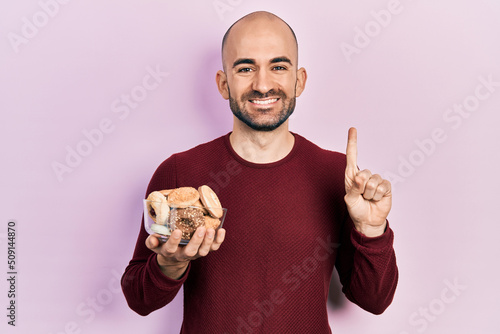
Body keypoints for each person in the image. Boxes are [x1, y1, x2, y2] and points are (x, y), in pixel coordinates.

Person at [121, 11, 398, 333]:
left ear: (300, 81)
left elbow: (374, 301)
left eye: (278, 67)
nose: (263, 84)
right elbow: (139, 300)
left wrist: (371, 230)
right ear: (224, 84)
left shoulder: (338, 175)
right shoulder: (180, 173)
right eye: (245, 68)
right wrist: (169, 264)